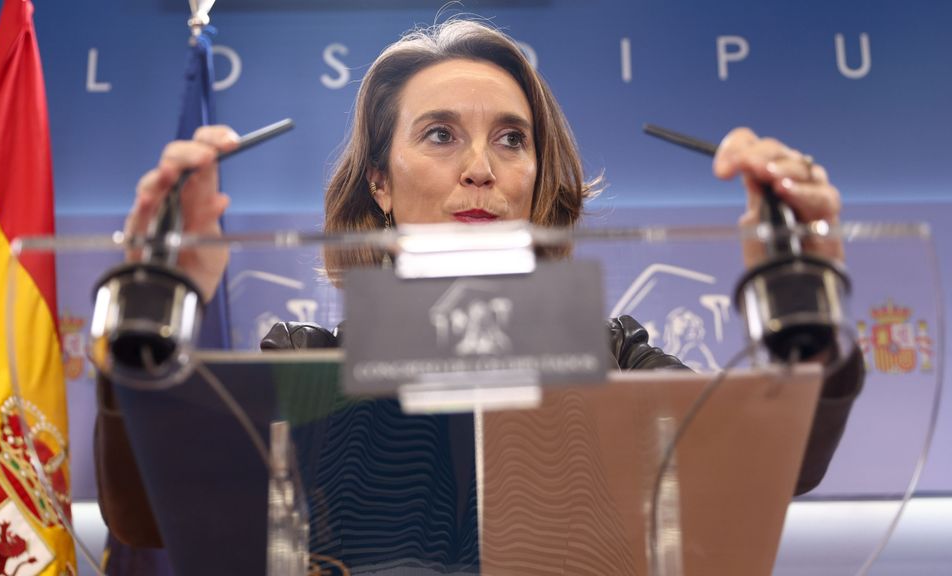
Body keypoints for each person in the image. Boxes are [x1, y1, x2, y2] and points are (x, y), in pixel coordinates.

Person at [100, 17, 862, 570]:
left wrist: (804, 288)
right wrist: (153, 298)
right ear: (380, 184)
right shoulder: (306, 362)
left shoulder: (614, 357)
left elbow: (775, 467)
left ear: (538, 180)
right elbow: (141, 515)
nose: (480, 168)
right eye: (439, 135)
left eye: (510, 139)